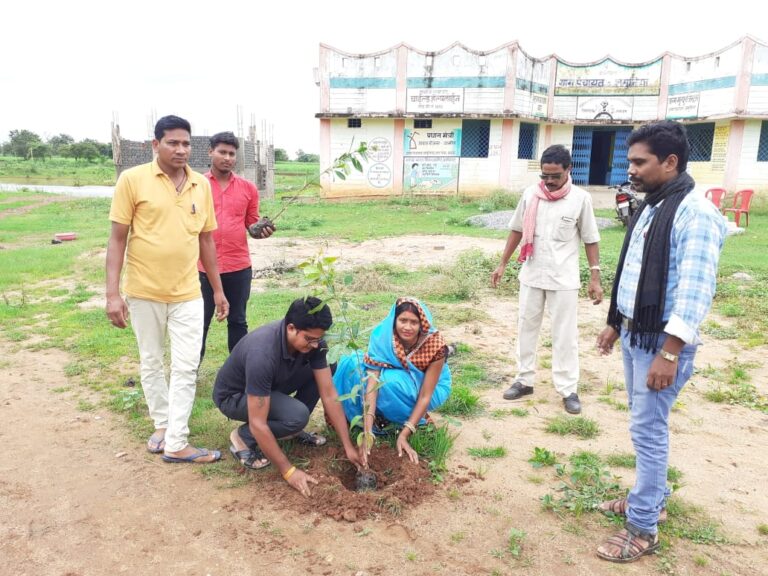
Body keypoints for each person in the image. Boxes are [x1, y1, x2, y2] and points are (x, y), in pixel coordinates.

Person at [595, 121, 727, 562]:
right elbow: (633, 270)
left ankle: (644, 525)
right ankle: (649, 497)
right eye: (629, 160)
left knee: (648, 429)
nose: (630, 169)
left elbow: (693, 291)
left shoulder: (695, 213)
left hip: (662, 344)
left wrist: (669, 352)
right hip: (638, 333)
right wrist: (617, 322)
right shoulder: (653, 205)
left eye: (639, 162)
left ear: (670, 162)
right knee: (643, 422)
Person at [106, 115, 229, 464]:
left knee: (187, 365)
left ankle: (176, 440)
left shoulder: (199, 185)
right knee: (152, 360)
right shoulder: (132, 180)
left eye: (186, 143)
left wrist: (217, 291)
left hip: (189, 291)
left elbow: (206, 240)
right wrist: (112, 294)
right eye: (173, 142)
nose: (180, 149)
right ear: (155, 144)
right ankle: (162, 424)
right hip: (144, 290)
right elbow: (117, 240)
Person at [212, 297, 364, 497]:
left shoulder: (314, 343)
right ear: (291, 328)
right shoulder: (263, 354)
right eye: (310, 339)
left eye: (319, 338)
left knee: (328, 365)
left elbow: (328, 393)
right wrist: (289, 471)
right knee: (297, 416)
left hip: (271, 386)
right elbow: (258, 422)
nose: (315, 344)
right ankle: (243, 436)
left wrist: (348, 446)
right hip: (235, 396)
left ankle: (290, 428)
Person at [491, 144, 602, 414]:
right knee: (526, 328)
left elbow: (590, 238)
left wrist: (595, 277)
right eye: (545, 176)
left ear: (568, 170)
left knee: (564, 335)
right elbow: (517, 230)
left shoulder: (580, 199)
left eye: (555, 176)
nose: (549, 182)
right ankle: (524, 379)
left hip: (563, 279)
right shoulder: (531, 195)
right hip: (531, 274)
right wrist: (503, 263)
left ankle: (567, 389)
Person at [333, 297, 452, 464]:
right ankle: (375, 420)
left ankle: (405, 421)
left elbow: (426, 395)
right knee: (352, 366)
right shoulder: (383, 336)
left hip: (431, 388)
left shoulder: (435, 346)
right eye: (403, 320)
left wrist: (404, 435)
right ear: (394, 320)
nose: (407, 327)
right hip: (396, 376)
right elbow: (372, 386)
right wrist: (367, 433)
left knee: (389, 383)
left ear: (422, 325)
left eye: (414, 322)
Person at [198, 131, 273, 363]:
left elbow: (251, 222)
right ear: (210, 152)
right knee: (199, 321)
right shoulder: (197, 185)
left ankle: (239, 371)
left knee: (238, 320)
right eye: (222, 152)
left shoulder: (248, 188)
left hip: (238, 266)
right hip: (201, 268)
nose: (227, 157)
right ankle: (190, 372)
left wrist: (260, 230)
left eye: (232, 153)